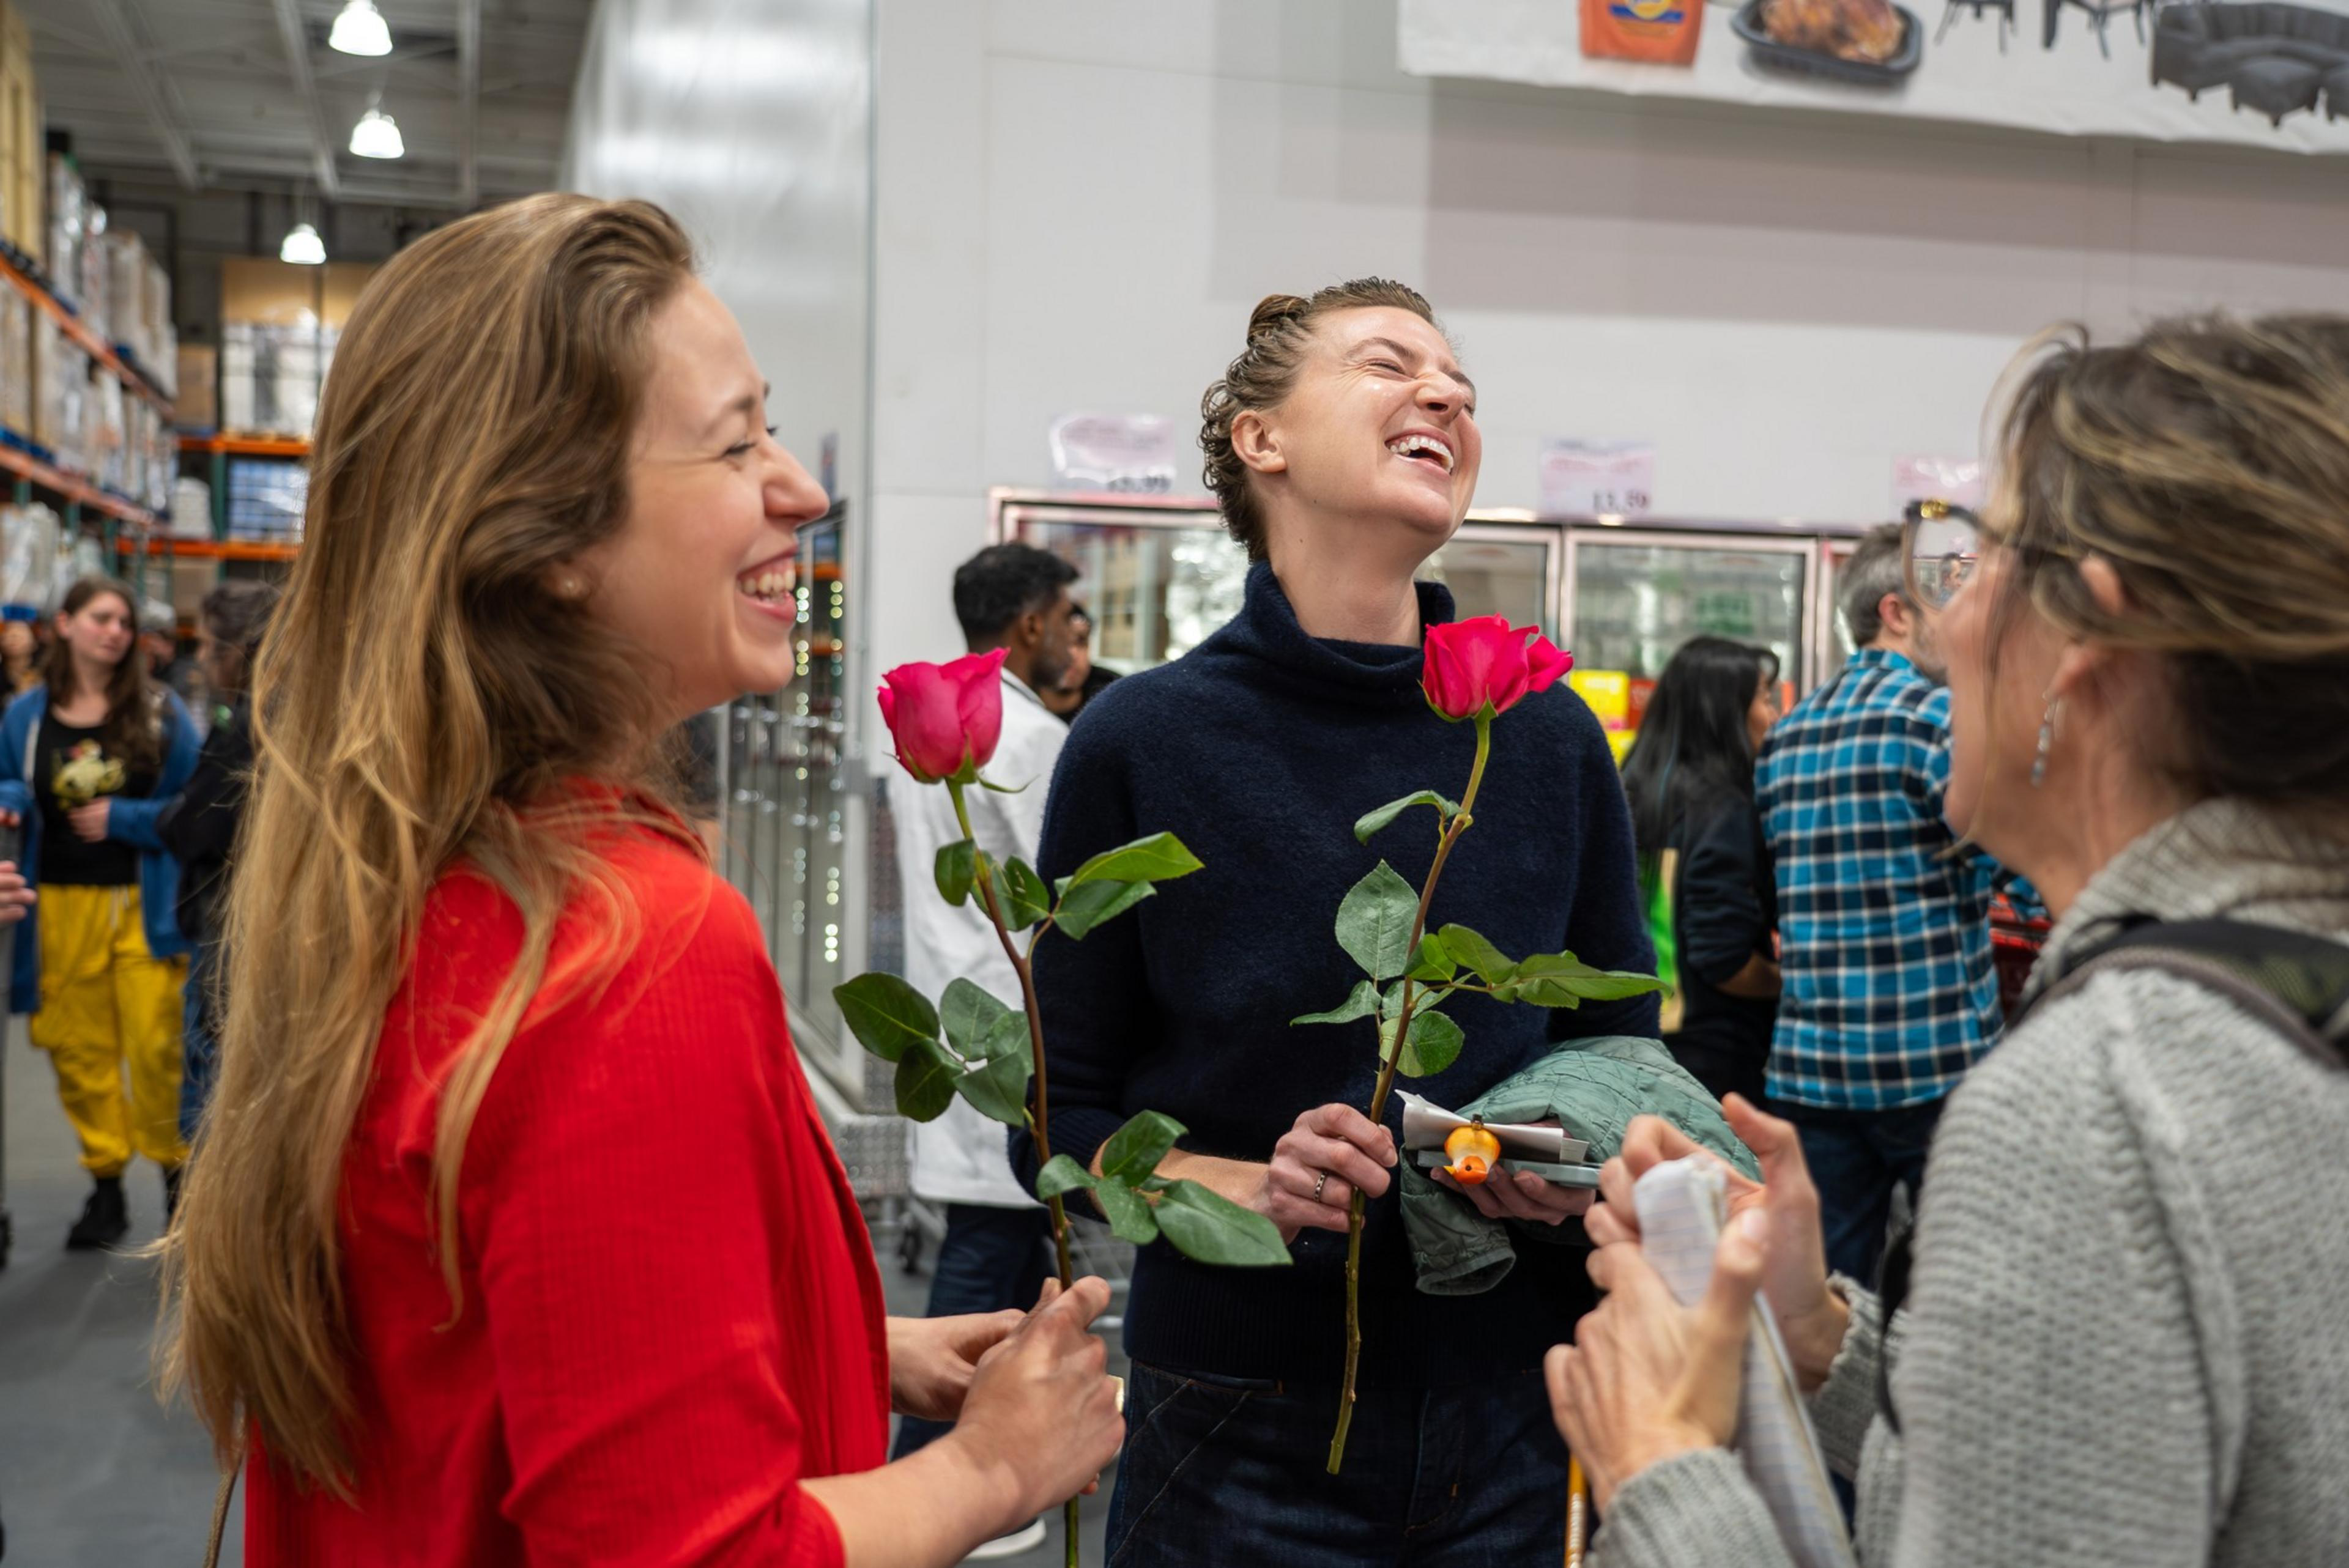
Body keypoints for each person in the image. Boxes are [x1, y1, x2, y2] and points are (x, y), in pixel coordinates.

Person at [158, 194, 1123, 1567]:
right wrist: (987, 1471)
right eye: (736, 443)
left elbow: (490, 1343)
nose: (798, 488)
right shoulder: (634, 950)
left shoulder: (414, 875)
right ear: (551, 542)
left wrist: (837, 1344)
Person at [1547, 312, 2349, 1568]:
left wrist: (1663, 1467)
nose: (1949, 620)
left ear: (2085, 636)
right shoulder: (2277, 993)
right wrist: (1822, 1329)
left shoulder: (2097, 1106)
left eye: (1976, 564)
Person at [1016, 279, 1658, 1566]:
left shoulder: (1541, 736)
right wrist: (1247, 1188)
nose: (1447, 394)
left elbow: (1620, 1058)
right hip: (1235, 1413)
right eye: (1390, 364)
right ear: (1263, 439)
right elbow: (1057, 1118)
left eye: (1460, 382)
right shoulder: (1145, 740)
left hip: (1510, 1410)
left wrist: (1561, 1160)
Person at [1752, 525, 2015, 1285]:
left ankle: (1842, 1409)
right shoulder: (1937, 719)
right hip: (1931, 1063)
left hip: (1812, 1067)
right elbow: (2009, 852)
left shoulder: (1787, 735)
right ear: (1897, 612)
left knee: (1832, 1291)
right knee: (1960, 1282)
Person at [889, 542, 1083, 1559]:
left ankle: (967, 1469)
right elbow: (1062, 896)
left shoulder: (933, 724)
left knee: (996, 1242)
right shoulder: (1027, 736)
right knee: (985, 1255)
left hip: (954, 1019)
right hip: (1008, 1027)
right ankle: (936, 1475)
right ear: (1027, 627)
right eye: (1066, 616)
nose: (1072, 636)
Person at [0, 577, 199, 1249]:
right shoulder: (28, 717)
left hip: (145, 906)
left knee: (158, 1045)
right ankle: (106, 1184)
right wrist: (9, 802)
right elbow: (9, 781)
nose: (115, 630)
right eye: (101, 617)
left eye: (124, 620)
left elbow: (198, 804)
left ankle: (179, 1183)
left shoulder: (162, 711)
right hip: (56, 905)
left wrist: (127, 816)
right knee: (77, 1049)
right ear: (65, 624)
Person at [1619, 637, 1782, 1107]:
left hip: (1634, 1039)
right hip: (1712, 1058)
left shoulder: (1631, 788)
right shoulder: (1723, 807)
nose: (1772, 716)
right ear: (1725, 712)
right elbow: (1724, 959)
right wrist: (1791, 983)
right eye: (1764, 698)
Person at [157, 578, 281, 1141]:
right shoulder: (280, 718)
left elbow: (192, 825)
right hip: (253, 931)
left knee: (212, 1100)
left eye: (209, 646)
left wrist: (163, 817)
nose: (201, 660)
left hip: (232, 934)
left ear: (241, 651)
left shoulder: (248, 729)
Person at [1037, 603, 1117, 722]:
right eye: (1060, 640)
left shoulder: (1114, 696)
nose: (1072, 653)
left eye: (1081, 641)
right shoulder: (1013, 702)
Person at [0, 607, 40, 697]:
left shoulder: (44, 674)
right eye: (8, 631)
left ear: (34, 641)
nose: (14, 637)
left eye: (21, 631)